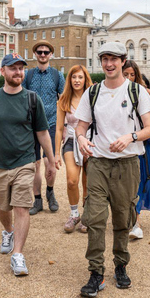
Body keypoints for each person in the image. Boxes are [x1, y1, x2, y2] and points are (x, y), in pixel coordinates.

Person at [74, 42, 150, 298]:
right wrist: (81, 139)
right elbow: (80, 126)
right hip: (98, 163)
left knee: (123, 219)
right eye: (105, 59)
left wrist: (130, 137)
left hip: (128, 164)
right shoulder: (92, 92)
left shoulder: (136, 92)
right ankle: (96, 273)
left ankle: (121, 265)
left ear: (123, 60)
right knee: (95, 218)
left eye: (114, 59)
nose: (109, 64)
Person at [0, 53, 59, 277]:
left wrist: (50, 160)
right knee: (2, 206)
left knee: (21, 206)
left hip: (25, 162)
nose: (18, 72)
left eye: (21, 68)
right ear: (3, 72)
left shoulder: (32, 99)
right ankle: (8, 232)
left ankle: (18, 254)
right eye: (13, 68)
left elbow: (42, 133)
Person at [22, 40, 65, 215]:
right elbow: (21, 99)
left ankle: (50, 191)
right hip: (31, 126)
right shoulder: (28, 75)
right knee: (34, 165)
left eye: (46, 52)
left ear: (51, 55)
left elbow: (62, 102)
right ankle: (37, 199)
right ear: (35, 54)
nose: (42, 54)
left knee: (51, 164)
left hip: (51, 124)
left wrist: (64, 126)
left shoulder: (57, 76)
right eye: (39, 52)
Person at [122, 60, 150, 241]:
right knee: (125, 184)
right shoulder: (116, 93)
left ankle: (136, 222)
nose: (129, 78)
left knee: (141, 182)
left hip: (143, 144)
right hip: (124, 144)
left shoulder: (145, 92)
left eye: (132, 74)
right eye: (126, 74)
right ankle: (128, 218)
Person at [55, 65, 92, 233]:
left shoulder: (93, 96)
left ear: (85, 79)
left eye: (80, 77)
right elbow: (58, 129)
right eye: (74, 77)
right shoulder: (64, 99)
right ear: (69, 80)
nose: (77, 80)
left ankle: (87, 215)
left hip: (90, 142)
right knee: (72, 180)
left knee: (88, 181)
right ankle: (74, 213)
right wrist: (56, 153)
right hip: (70, 140)